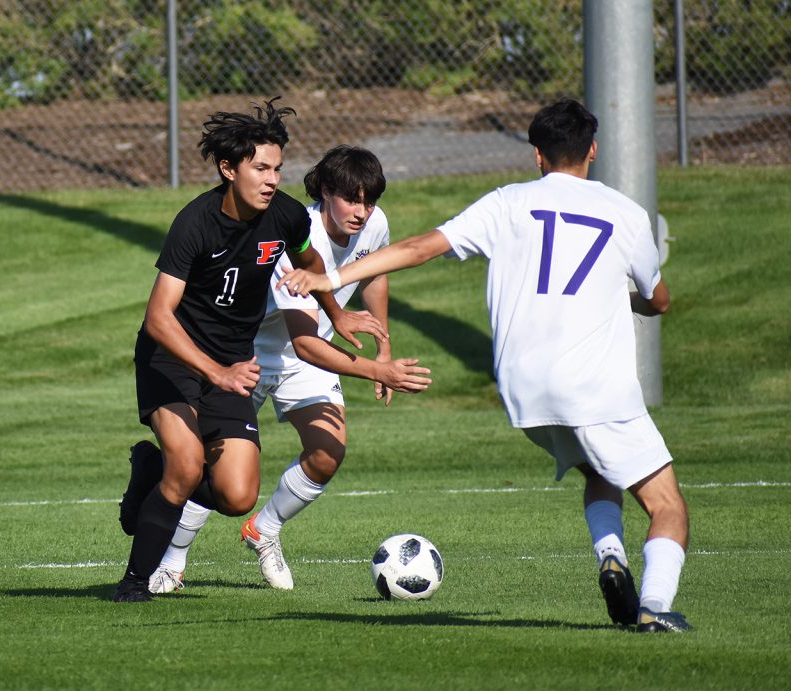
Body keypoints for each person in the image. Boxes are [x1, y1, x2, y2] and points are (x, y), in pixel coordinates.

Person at [278, 98, 691, 633]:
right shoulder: (628, 214)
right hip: (595, 386)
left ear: (537, 155)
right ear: (592, 149)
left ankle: (611, 555)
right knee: (667, 506)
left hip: (524, 392)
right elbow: (658, 301)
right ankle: (656, 608)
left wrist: (330, 280)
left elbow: (422, 246)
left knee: (599, 472)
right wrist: (632, 299)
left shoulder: (506, 203)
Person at [114, 99, 387, 602]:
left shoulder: (282, 215)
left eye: (278, 168)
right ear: (228, 168)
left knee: (238, 497)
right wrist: (215, 372)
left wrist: (337, 310)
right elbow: (158, 318)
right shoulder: (194, 222)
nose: (272, 179)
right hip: (171, 359)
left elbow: (309, 261)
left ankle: (148, 474)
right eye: (261, 168)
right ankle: (134, 583)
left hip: (232, 367)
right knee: (185, 464)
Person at [147, 145, 432, 594]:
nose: (361, 212)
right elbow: (305, 344)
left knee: (327, 452)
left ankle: (265, 529)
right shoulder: (293, 231)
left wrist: (383, 347)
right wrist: (382, 374)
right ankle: (172, 560)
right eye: (350, 200)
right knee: (215, 465)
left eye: (369, 201)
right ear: (323, 191)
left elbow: (375, 274)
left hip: (312, 351)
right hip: (252, 354)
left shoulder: (374, 223)